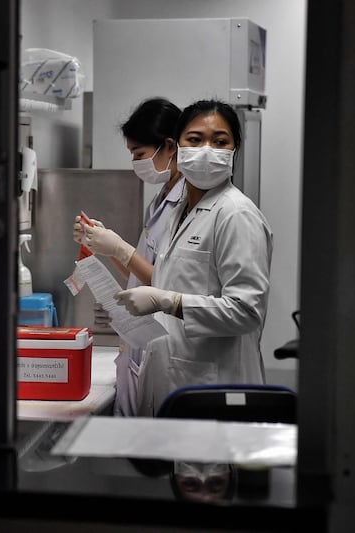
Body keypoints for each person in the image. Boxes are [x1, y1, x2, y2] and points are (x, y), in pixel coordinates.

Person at [113, 99, 273, 417]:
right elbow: (178, 279)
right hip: (178, 381)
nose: (206, 150)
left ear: (235, 149)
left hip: (215, 385)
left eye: (220, 141)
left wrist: (170, 301)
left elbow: (246, 311)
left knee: (207, 465)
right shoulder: (181, 211)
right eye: (195, 139)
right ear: (179, 147)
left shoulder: (236, 214)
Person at [72, 97, 186, 416]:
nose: (136, 164)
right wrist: (104, 248)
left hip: (168, 351)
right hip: (143, 347)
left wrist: (120, 247)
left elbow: (167, 285)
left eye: (139, 154)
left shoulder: (187, 206)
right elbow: (140, 278)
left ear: (169, 146)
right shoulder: (161, 201)